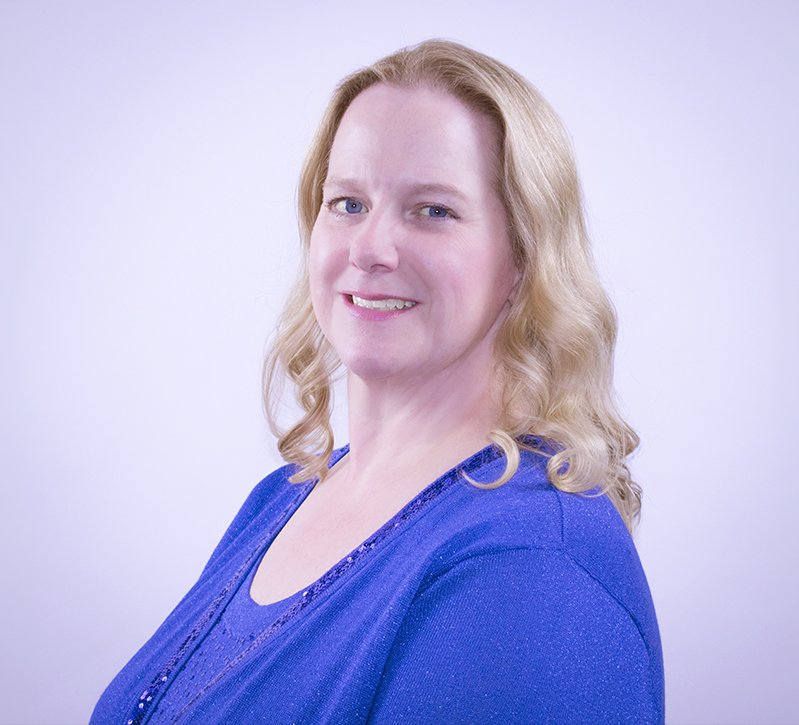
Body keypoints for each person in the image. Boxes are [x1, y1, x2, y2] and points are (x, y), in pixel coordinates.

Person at [92, 39, 664, 724]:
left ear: (523, 259)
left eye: (433, 210)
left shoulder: (533, 572)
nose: (369, 248)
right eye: (347, 203)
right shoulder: (283, 497)